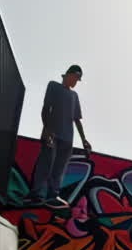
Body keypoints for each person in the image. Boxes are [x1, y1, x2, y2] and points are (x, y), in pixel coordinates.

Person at [29, 64, 92, 207]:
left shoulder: (74, 96)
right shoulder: (53, 86)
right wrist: (47, 129)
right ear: (68, 75)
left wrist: (84, 140)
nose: (76, 82)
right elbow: (46, 108)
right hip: (52, 134)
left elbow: (77, 119)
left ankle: (53, 195)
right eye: (75, 78)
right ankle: (36, 194)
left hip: (67, 138)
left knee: (59, 168)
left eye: (78, 80)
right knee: (45, 164)